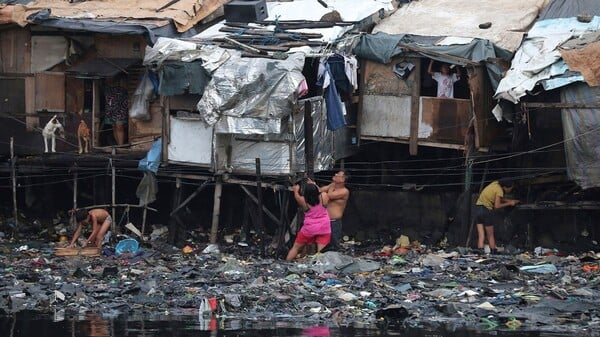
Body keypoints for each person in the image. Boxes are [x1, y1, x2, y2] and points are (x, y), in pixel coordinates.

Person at [286, 182, 331, 261]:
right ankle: (319, 270)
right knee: (320, 253)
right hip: (324, 227)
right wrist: (314, 184)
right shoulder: (324, 196)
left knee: (295, 248)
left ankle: (286, 263)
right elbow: (319, 190)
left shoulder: (303, 200)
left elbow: (296, 195)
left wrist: (296, 190)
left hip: (309, 228)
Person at [474, 179, 519, 254]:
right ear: (505, 187)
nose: (510, 190)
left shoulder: (494, 184)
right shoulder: (500, 191)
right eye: (511, 188)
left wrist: (509, 200)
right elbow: (497, 206)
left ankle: (480, 251)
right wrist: (510, 203)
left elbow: (497, 198)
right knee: (490, 235)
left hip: (478, 209)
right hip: (486, 211)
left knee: (481, 234)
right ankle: (493, 251)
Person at [319, 170, 350, 251]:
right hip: (325, 220)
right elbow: (320, 190)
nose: (335, 174)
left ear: (343, 179)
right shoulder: (332, 186)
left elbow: (329, 196)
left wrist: (331, 187)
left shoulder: (344, 191)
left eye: (338, 174)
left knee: (334, 245)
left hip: (334, 221)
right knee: (323, 245)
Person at [104, 76, 129, 145]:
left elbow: (125, 99)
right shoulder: (107, 88)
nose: (108, 79)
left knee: (119, 127)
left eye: (109, 78)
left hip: (120, 110)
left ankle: (121, 145)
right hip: (111, 110)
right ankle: (118, 145)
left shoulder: (123, 86)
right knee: (114, 127)